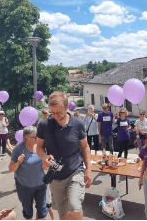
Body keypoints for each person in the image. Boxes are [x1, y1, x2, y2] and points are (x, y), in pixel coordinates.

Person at [37, 91, 92, 220]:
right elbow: (39, 147)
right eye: (52, 113)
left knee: (74, 206)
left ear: (67, 107)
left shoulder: (78, 124)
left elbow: (85, 147)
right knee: (63, 215)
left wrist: (88, 169)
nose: (55, 116)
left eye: (59, 113)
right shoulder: (44, 124)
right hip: (55, 176)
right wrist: (44, 157)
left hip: (75, 171)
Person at [9, 126, 47, 220]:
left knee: (42, 211)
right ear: (27, 138)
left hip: (41, 184)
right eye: (35, 137)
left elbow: (46, 160)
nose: (37, 138)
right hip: (25, 186)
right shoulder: (19, 149)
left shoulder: (40, 146)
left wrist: (46, 164)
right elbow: (10, 168)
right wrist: (18, 163)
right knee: (28, 212)